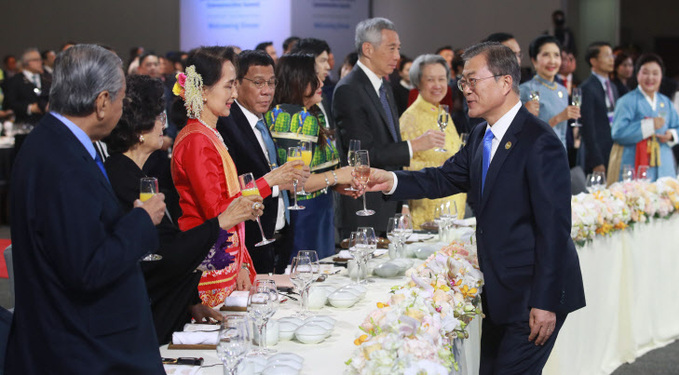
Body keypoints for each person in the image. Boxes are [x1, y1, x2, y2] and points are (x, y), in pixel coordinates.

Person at [363, 42, 585, 374]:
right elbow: (442, 178)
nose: (464, 90)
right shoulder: (482, 134)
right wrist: (391, 180)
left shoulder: (539, 141)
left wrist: (545, 302)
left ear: (505, 83)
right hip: (500, 292)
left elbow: (553, 230)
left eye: (472, 81)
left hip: (532, 295)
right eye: (463, 82)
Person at [7, 44, 167, 374]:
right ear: (102, 102)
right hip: (83, 350)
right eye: (122, 99)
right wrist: (141, 219)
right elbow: (87, 268)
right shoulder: (63, 164)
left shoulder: (53, 143)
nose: (124, 108)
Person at [103, 74, 263, 344]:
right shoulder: (122, 178)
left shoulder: (137, 173)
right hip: (139, 323)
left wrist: (191, 303)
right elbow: (160, 256)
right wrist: (221, 222)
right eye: (157, 116)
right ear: (139, 128)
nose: (163, 123)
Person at [171, 46, 307, 307]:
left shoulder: (209, 134)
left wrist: (243, 260)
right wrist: (271, 180)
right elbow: (218, 214)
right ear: (202, 91)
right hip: (211, 263)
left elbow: (230, 204)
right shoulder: (197, 140)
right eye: (228, 86)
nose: (234, 94)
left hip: (228, 258)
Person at [333, 17, 444, 236]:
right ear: (368, 49)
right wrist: (413, 146)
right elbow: (363, 155)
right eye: (391, 48)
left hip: (388, 203)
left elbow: (391, 139)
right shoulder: (349, 89)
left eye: (399, 49)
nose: (397, 56)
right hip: (364, 207)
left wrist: (402, 200)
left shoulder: (384, 84)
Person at [265, 53, 354, 259]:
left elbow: (319, 170)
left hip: (318, 208)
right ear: (298, 80)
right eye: (314, 75)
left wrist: (338, 183)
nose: (321, 81)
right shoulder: (292, 117)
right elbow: (296, 183)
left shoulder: (310, 113)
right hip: (304, 213)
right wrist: (337, 177)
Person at [217, 50, 297, 273]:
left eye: (272, 83)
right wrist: (275, 183)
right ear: (237, 84)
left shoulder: (263, 120)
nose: (267, 91)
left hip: (279, 236)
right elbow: (231, 187)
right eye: (259, 83)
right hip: (251, 241)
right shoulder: (227, 125)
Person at [399, 54, 466, 228]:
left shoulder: (442, 113)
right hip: (428, 213)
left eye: (442, 79)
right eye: (430, 80)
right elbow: (403, 167)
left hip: (453, 207)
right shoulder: (410, 118)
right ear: (418, 82)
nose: (437, 85)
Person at [610, 53, 679, 182]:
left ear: (661, 76)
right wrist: (649, 125)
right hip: (634, 162)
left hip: (665, 165)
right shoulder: (626, 101)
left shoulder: (666, 102)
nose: (650, 78)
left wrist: (671, 135)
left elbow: (677, 126)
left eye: (655, 73)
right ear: (637, 75)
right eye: (645, 73)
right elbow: (618, 133)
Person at [520, 35, 580, 149]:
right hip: (536, 153)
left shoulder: (562, 90)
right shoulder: (525, 90)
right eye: (546, 55)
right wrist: (558, 118)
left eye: (556, 55)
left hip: (558, 153)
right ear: (534, 60)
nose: (552, 61)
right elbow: (524, 132)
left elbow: (562, 133)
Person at [579, 41, 618, 174]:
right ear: (594, 61)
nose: (611, 59)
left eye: (612, 56)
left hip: (612, 148)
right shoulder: (587, 88)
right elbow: (587, 127)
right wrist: (596, 160)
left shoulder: (613, 86)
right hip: (597, 153)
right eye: (607, 56)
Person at [3, 48, 50, 125]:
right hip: (25, 124)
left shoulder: (47, 78)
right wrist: (29, 108)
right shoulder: (15, 81)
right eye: (37, 60)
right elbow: (10, 103)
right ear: (27, 63)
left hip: (46, 123)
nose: (41, 62)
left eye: (40, 59)